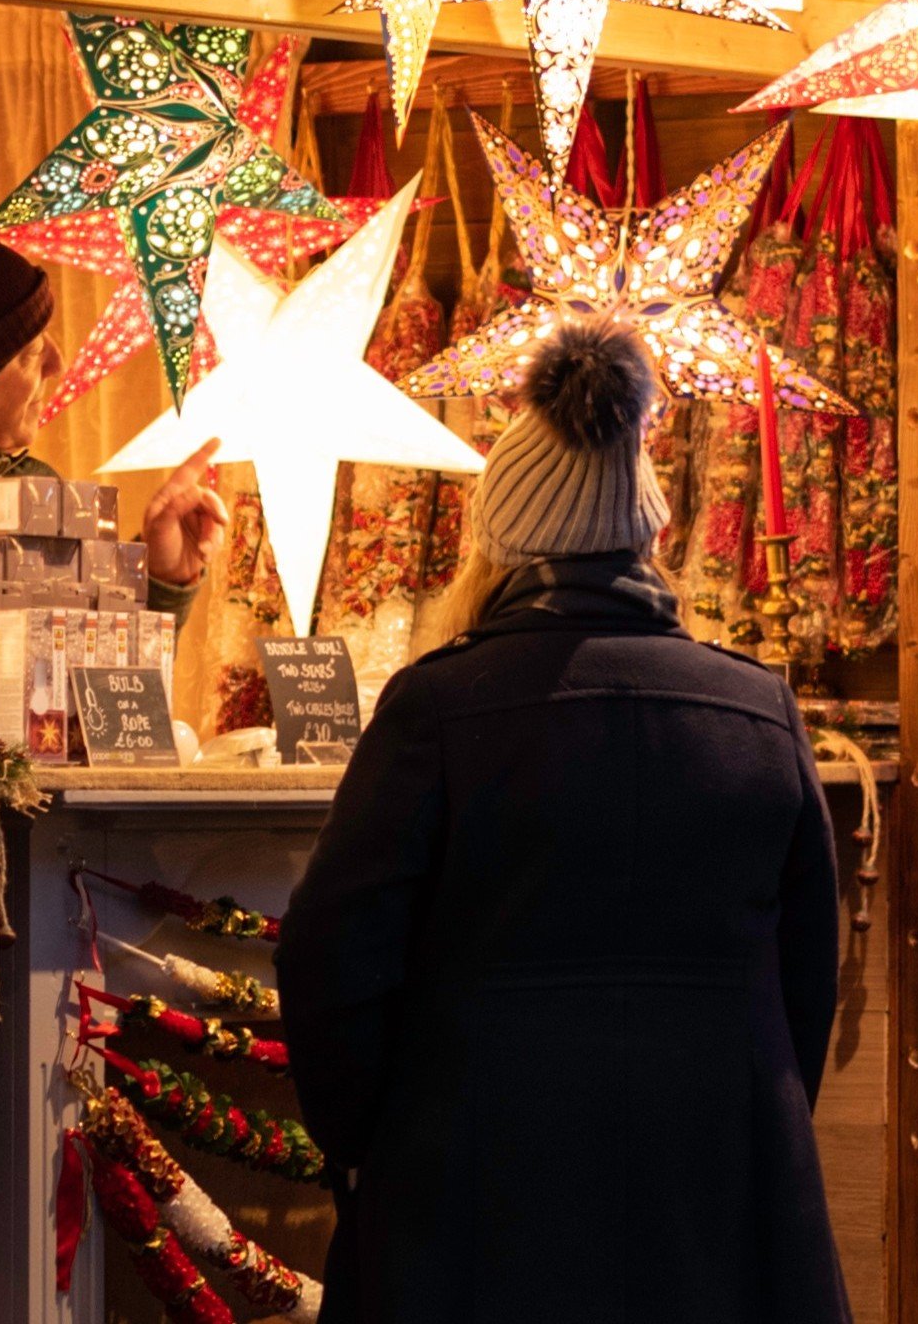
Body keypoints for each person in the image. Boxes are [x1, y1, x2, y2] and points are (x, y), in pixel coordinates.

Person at [273, 321, 853, 1322]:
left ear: (501, 539)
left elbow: (332, 959)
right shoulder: (759, 713)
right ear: (649, 531)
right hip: (718, 1198)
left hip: (473, 1200)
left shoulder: (438, 710)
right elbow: (805, 980)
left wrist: (380, 1140)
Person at [0, 229, 224, 611]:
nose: (57, 364)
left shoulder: (41, 488)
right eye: (30, 352)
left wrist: (163, 579)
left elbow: (93, 665)